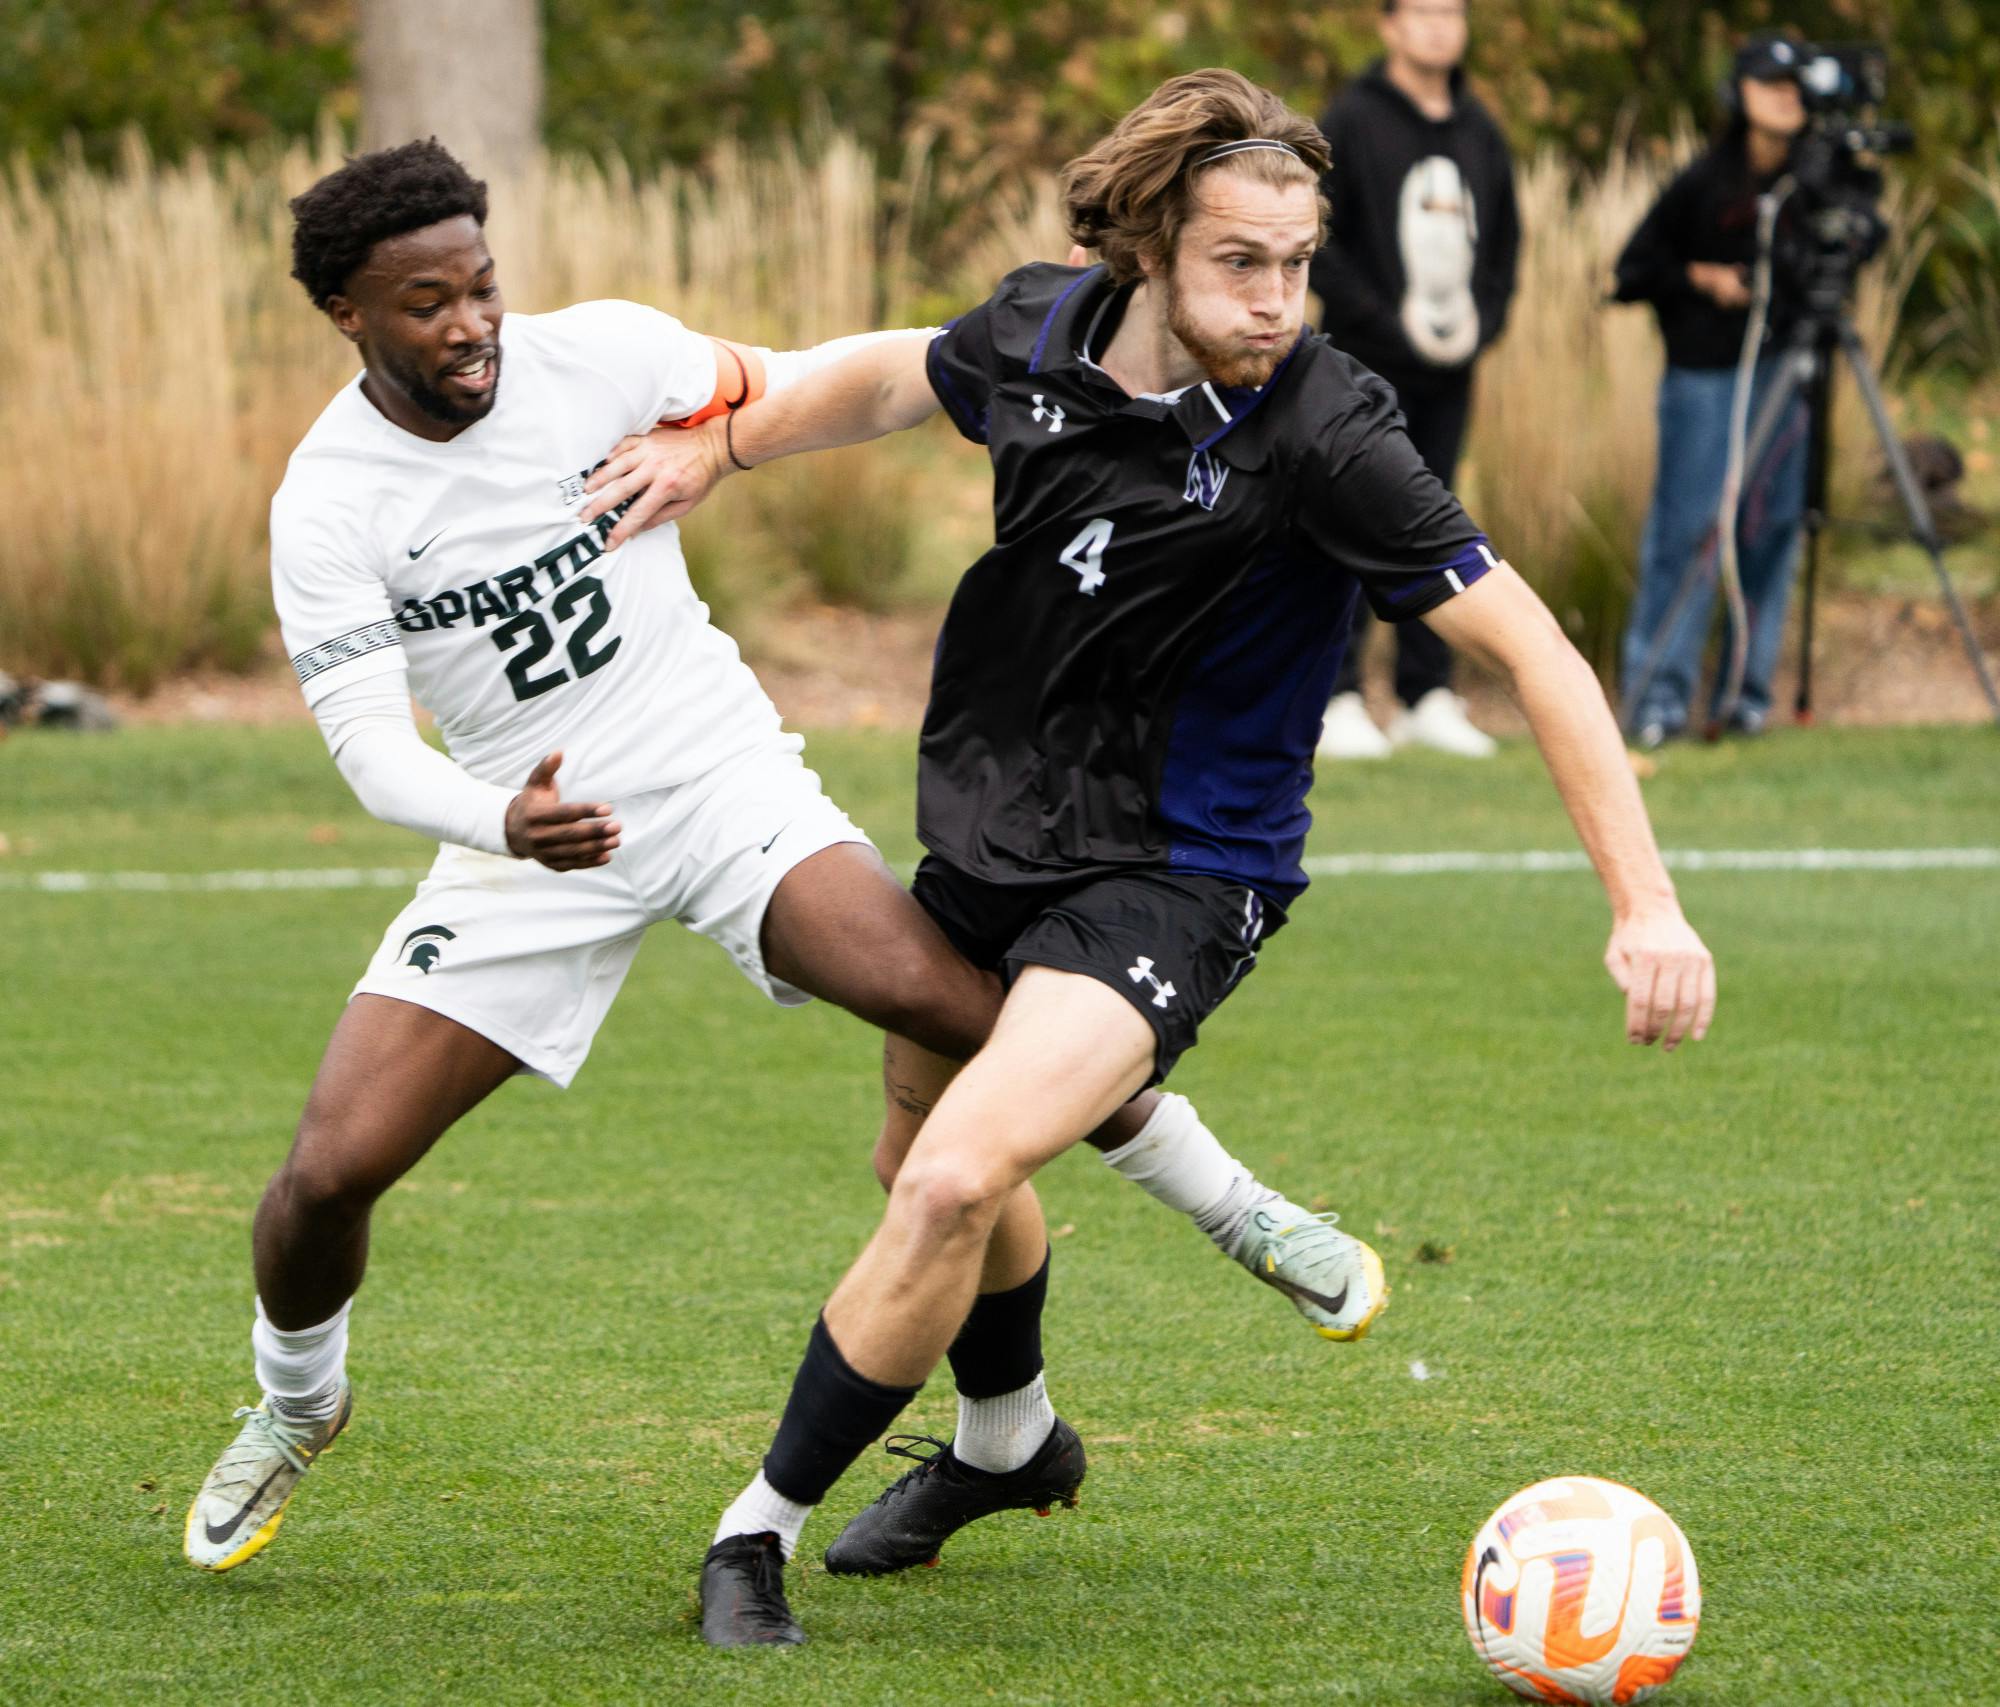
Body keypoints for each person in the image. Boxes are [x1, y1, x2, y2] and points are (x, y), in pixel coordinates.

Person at [586, 68, 1716, 1648]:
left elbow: (1535, 650)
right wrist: (730, 444)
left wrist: (1646, 901)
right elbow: (894, 375)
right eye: (1239, 262)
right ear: (1146, 251)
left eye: (1299, 262)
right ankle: (1009, 1438)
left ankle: (751, 1531)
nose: (1278, 299)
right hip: (993, 821)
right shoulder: (1044, 333)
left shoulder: (1328, 427)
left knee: (962, 1173)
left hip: (1184, 869)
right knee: (920, 1165)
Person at [181, 140, 1383, 1577]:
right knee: (329, 1171)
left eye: (483, 288)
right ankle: (296, 1402)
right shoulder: (330, 500)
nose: (470, 325)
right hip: (522, 839)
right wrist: (497, 819)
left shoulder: (606, 354)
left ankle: (1218, 1216)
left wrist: (718, 437)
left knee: (961, 1023)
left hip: (713, 779)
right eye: (426, 303)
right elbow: (373, 748)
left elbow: (819, 367)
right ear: (348, 316)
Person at [1309, 0, 1518, 760]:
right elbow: (1319, 239)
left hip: (1449, 370)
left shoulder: (1479, 129)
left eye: (1454, 11)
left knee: (1436, 513)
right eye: (1424, 10)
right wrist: (1387, 325)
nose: (1441, 25)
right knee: (1346, 514)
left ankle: (1428, 690)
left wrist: (1479, 327)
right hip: (1362, 362)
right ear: (1389, 24)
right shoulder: (1352, 119)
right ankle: (1336, 695)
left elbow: (1502, 245)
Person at [1614, 33, 1812, 749]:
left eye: (1794, 84)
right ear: (1741, 94)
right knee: (1690, 531)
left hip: (1787, 371)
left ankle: (1744, 693)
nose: (1785, 96)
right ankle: (1657, 696)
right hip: (1705, 376)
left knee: (1772, 529)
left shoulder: (1820, 183)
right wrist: (1701, 279)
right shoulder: (1704, 183)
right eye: (1769, 83)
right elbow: (1632, 271)